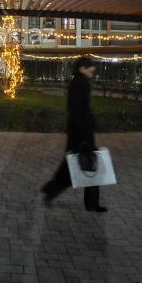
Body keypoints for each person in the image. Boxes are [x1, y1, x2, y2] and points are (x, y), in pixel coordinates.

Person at [41, 56, 107, 211]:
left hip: (80, 132)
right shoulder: (79, 85)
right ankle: (52, 190)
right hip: (81, 133)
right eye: (90, 67)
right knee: (80, 167)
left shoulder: (80, 83)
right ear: (82, 68)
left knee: (79, 166)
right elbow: (78, 111)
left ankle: (53, 190)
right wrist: (84, 135)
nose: (93, 69)